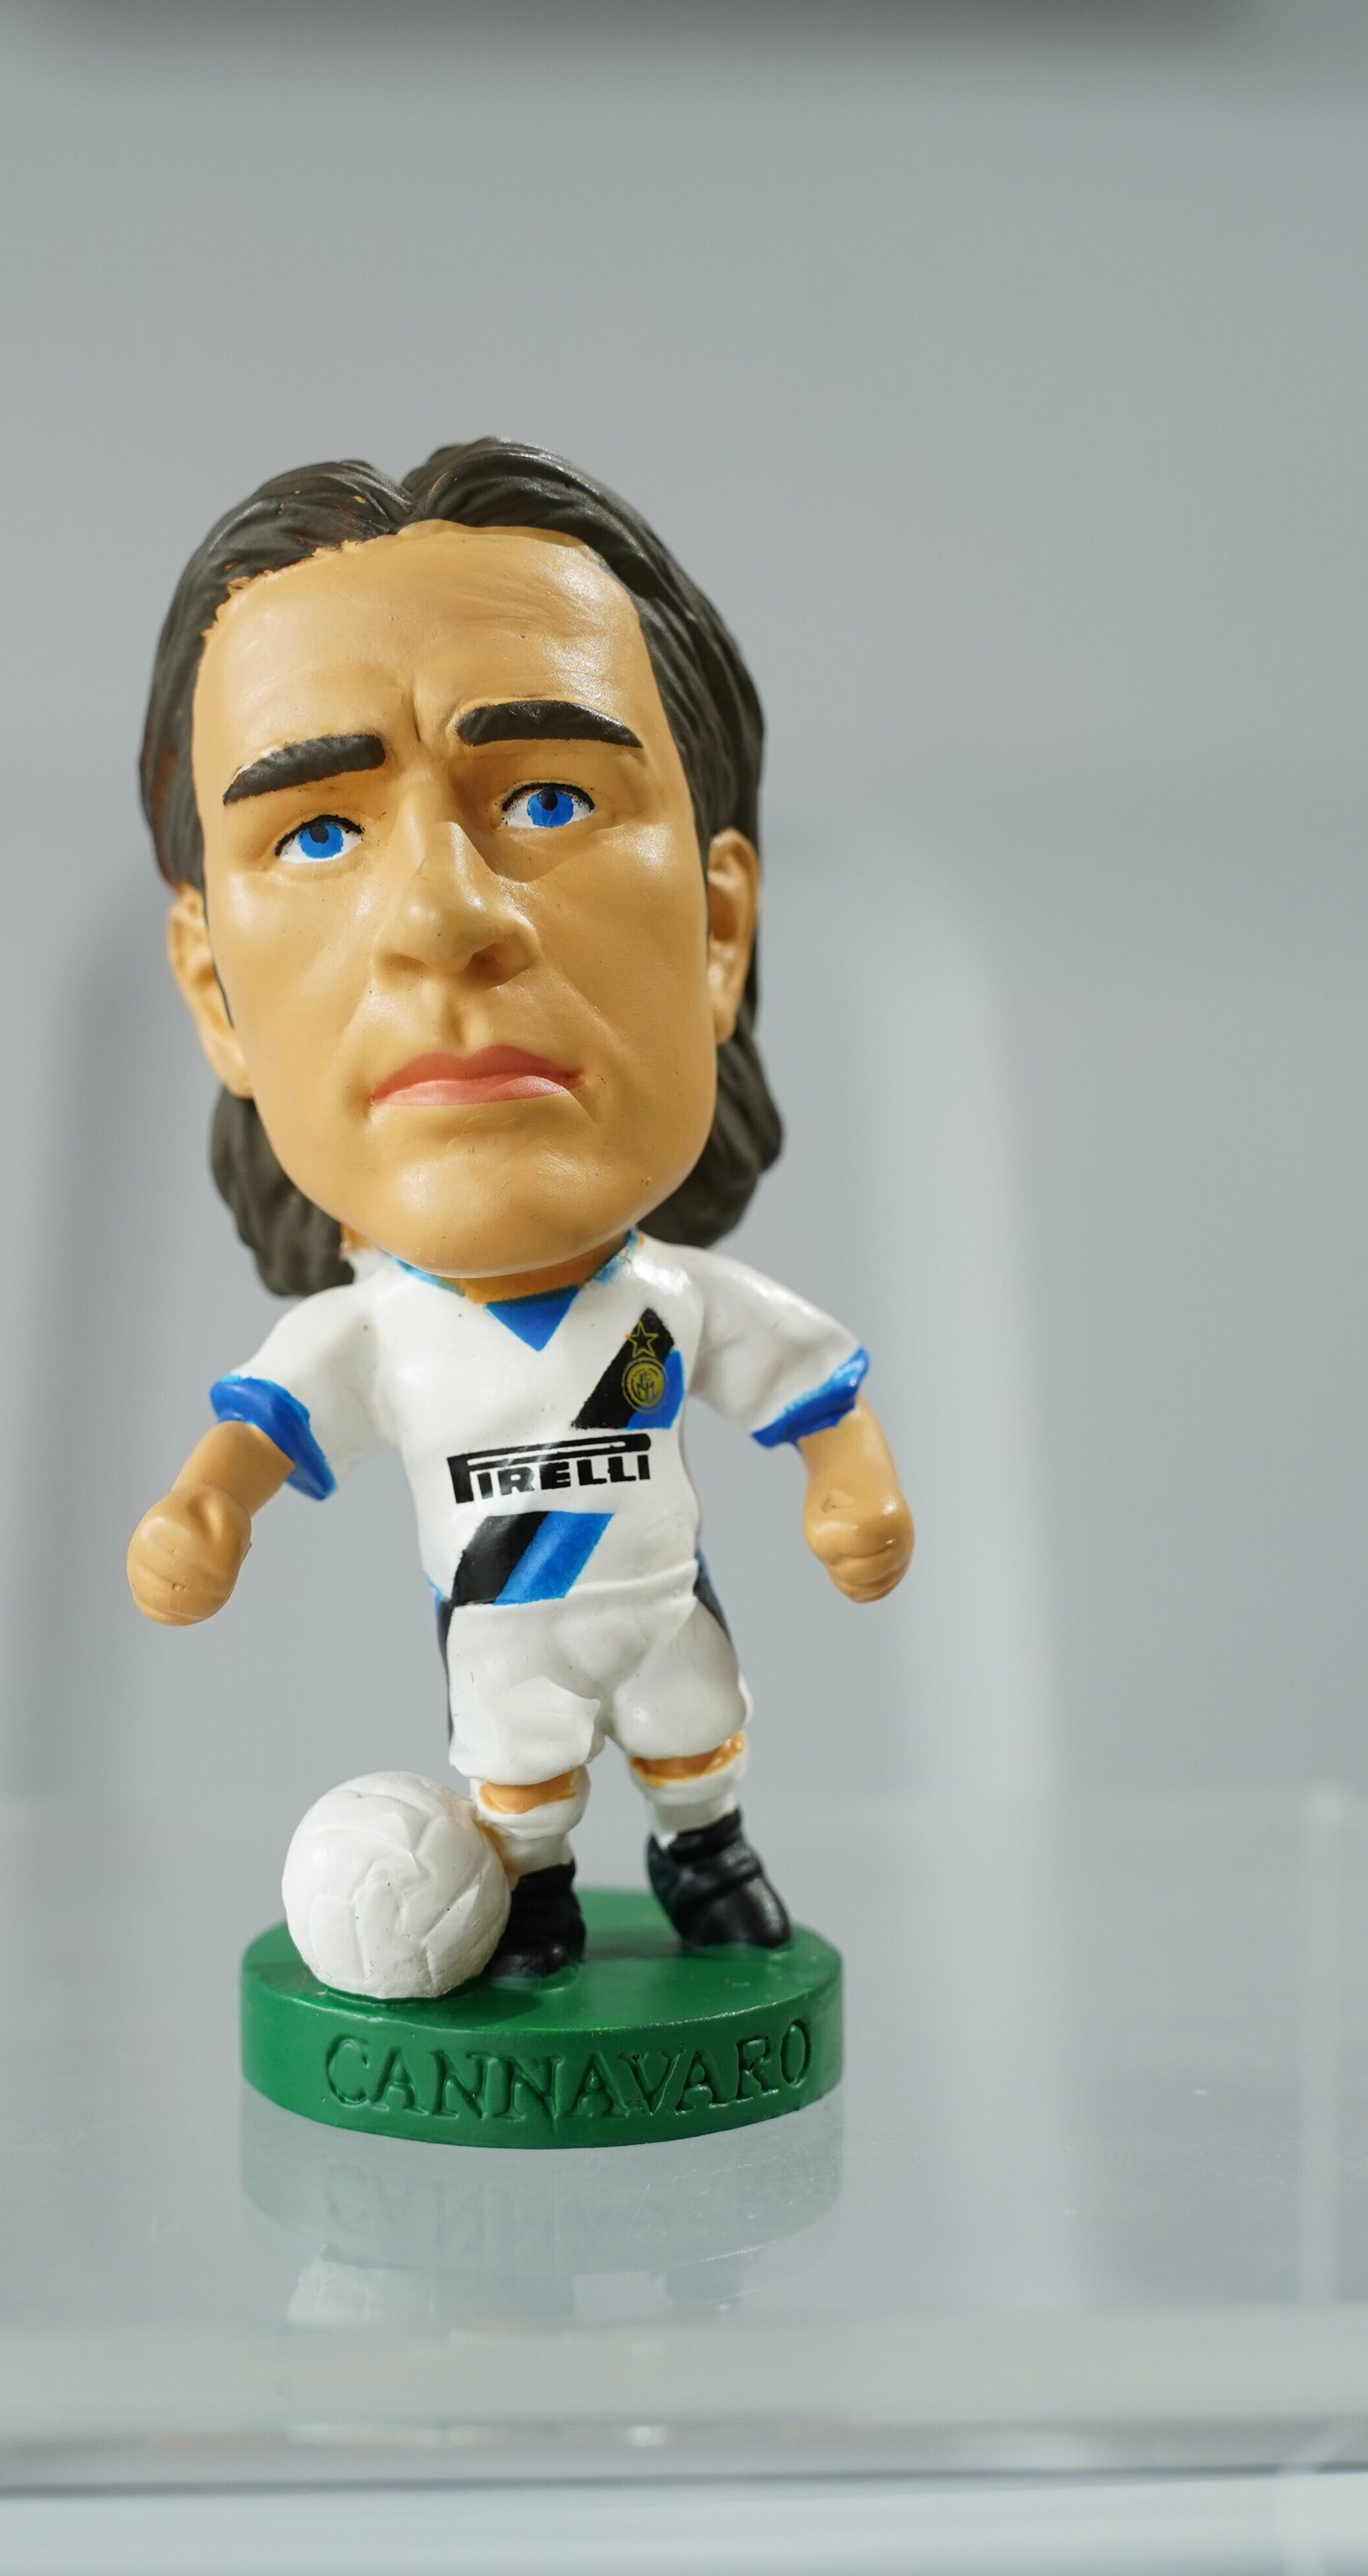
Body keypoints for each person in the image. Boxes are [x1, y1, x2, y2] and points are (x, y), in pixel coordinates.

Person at [126, 440, 913, 1978]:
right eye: (319, 834)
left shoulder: (667, 1311)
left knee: (696, 1733)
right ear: (215, 991)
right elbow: (260, 1438)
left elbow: (812, 1392)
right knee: (517, 1764)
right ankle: (533, 1891)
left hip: (663, 1614)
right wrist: (203, 1511)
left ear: (718, 928)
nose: (441, 916)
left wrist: (853, 1490)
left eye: (548, 798)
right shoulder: (374, 1338)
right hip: (501, 1631)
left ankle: (704, 1853)